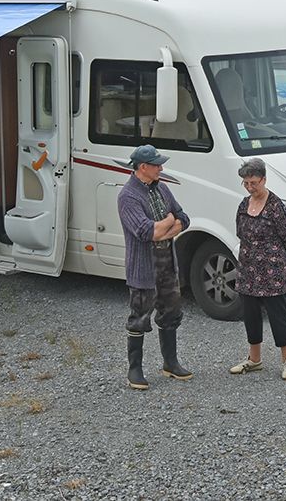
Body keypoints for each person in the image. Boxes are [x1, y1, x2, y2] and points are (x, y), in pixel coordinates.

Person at [117, 144, 193, 389]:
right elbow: (145, 232)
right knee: (139, 316)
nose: (161, 168)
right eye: (157, 164)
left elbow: (184, 218)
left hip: (167, 263)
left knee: (171, 313)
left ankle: (170, 363)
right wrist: (168, 223)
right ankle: (134, 370)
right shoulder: (128, 196)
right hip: (144, 268)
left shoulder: (162, 188)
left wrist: (165, 227)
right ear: (143, 167)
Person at [229, 158, 286, 380]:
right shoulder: (243, 204)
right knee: (250, 314)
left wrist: (268, 248)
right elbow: (240, 232)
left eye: (254, 183)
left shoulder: (276, 206)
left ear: (264, 180)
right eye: (246, 183)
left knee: (278, 315)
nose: (250, 187)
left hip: (272, 271)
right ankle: (254, 359)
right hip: (248, 269)